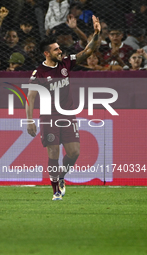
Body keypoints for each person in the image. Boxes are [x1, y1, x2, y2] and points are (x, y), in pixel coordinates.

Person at [25, 15, 101, 200]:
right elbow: (31, 97)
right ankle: (55, 191)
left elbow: (88, 51)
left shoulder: (66, 63)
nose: (60, 51)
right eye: (56, 49)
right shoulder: (39, 73)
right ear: (47, 53)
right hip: (49, 117)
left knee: (74, 153)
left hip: (67, 116)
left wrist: (97, 33)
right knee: (53, 152)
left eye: (59, 48)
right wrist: (29, 120)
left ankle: (61, 176)